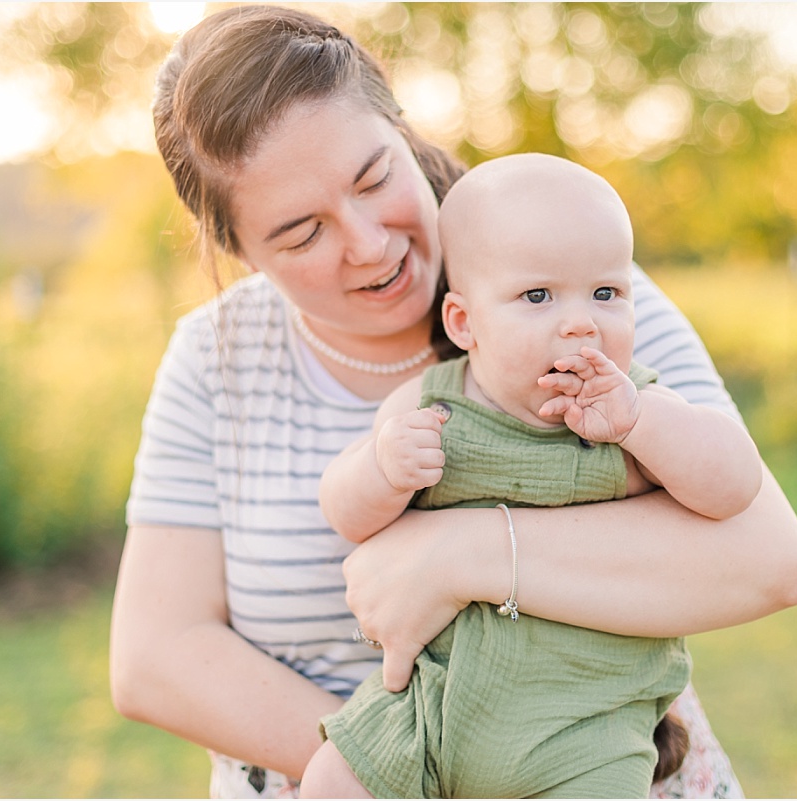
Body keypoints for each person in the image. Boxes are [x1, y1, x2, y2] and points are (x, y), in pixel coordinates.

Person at [109, 5, 797, 799]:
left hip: (588, 763)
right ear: (241, 252)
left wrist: (465, 555)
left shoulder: (571, 289)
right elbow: (154, 657)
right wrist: (399, 762)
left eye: (375, 178)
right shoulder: (216, 358)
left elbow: (770, 559)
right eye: (303, 234)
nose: (370, 243)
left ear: (403, 130)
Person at [299, 153, 764, 799]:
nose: (582, 321)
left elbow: (735, 485)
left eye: (607, 292)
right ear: (464, 323)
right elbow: (344, 511)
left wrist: (642, 425)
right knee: (330, 780)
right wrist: (382, 470)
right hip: (428, 711)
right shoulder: (427, 408)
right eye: (538, 295)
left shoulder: (640, 410)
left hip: (587, 730)